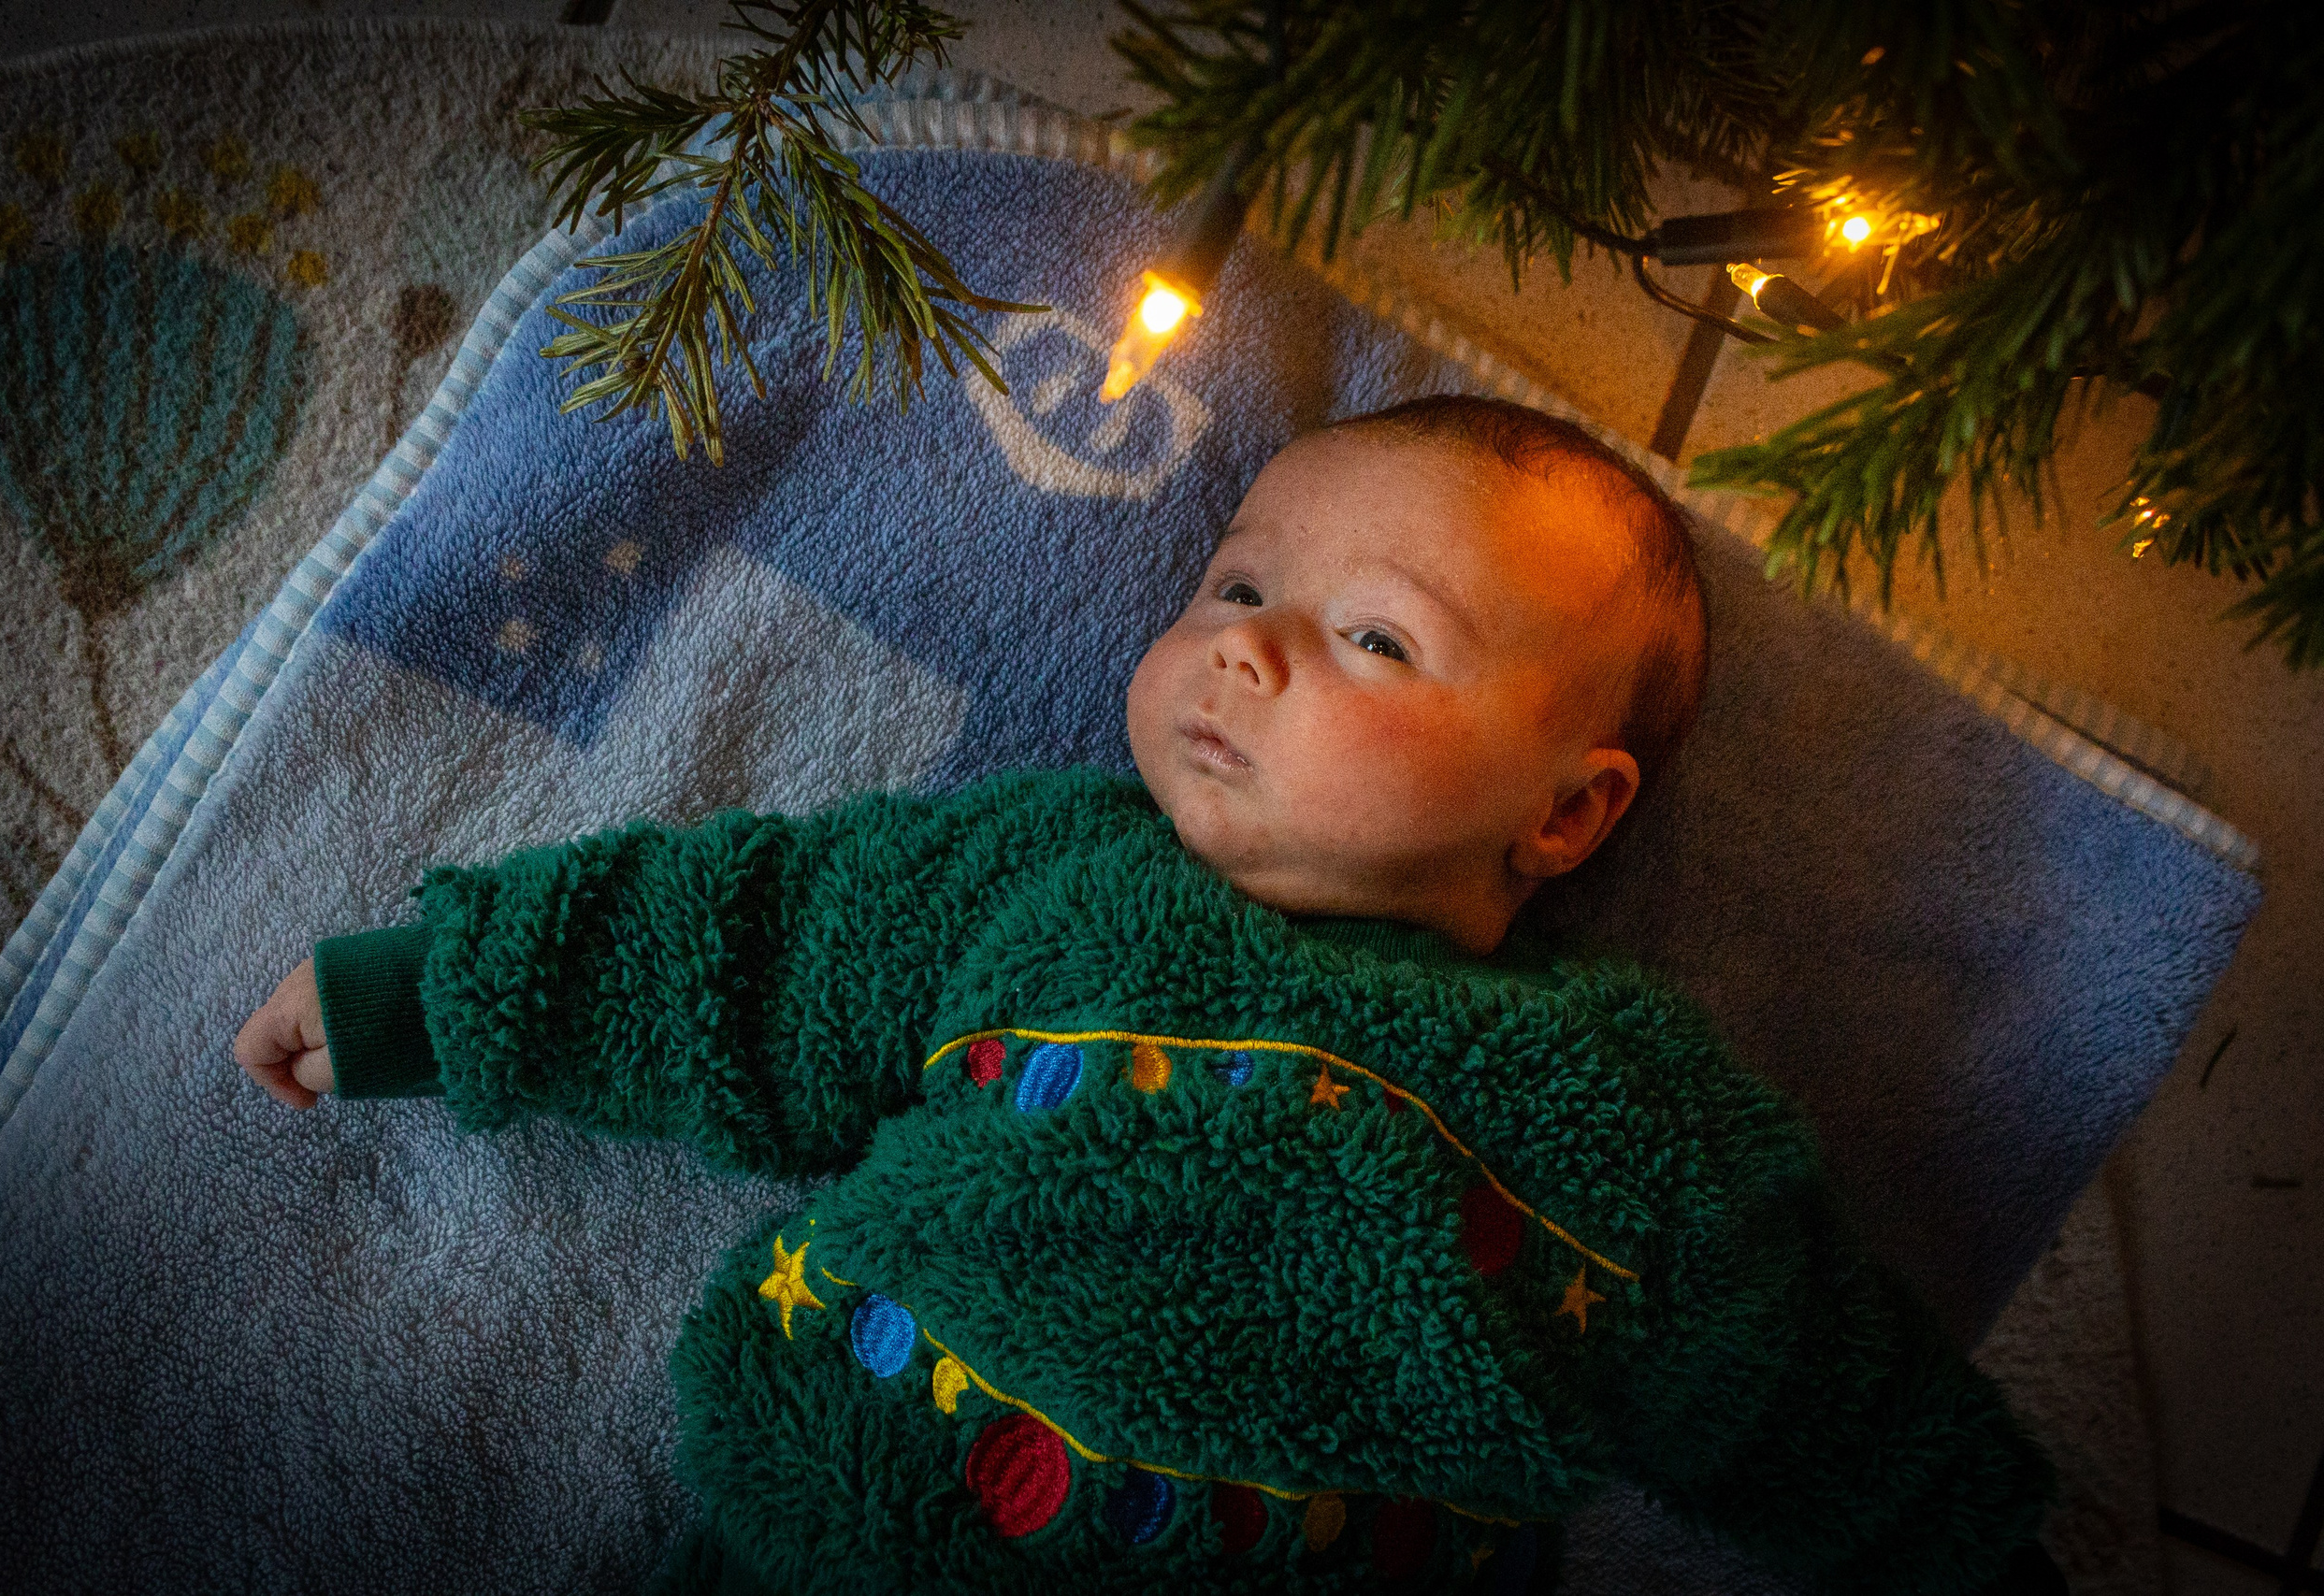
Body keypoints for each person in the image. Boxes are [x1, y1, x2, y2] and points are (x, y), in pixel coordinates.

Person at [237, 395, 2064, 1595]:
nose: (1246, 642)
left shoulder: (1607, 1107)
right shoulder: (1051, 869)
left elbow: (1813, 1387)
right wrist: (435, 989)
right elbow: (746, 944)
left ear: (1565, 807)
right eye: (1235, 579)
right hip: (847, 1522)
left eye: (1373, 636)